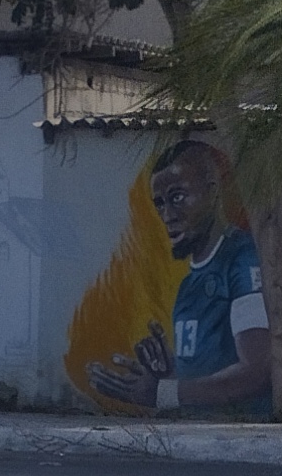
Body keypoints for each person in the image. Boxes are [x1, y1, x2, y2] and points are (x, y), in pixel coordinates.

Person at [97, 139, 272, 418]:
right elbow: (201, 381)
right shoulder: (188, 288)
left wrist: (161, 394)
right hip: (197, 434)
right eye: (160, 203)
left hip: (240, 433)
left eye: (177, 197)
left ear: (212, 191)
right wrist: (167, 374)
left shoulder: (242, 259)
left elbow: (257, 372)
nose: (167, 215)